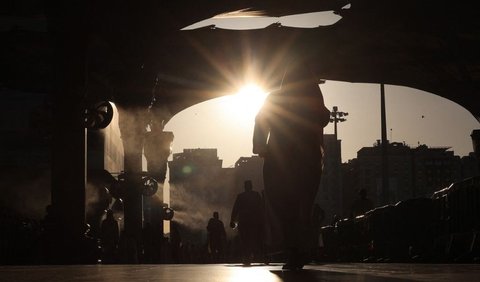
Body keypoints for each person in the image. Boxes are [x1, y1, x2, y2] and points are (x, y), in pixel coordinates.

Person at [253, 55, 330, 270]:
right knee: (301, 206)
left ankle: (295, 250)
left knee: (284, 206)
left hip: (280, 160)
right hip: (307, 159)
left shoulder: (274, 97)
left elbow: (260, 120)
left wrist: (260, 147)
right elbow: (324, 117)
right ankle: (300, 249)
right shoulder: (312, 94)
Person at [230, 180, 264, 265]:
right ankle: (249, 255)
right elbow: (261, 207)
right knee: (251, 238)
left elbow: (235, 209)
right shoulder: (255, 195)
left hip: (244, 221)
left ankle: (247, 255)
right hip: (253, 221)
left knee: (245, 239)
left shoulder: (241, 196)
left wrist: (232, 220)